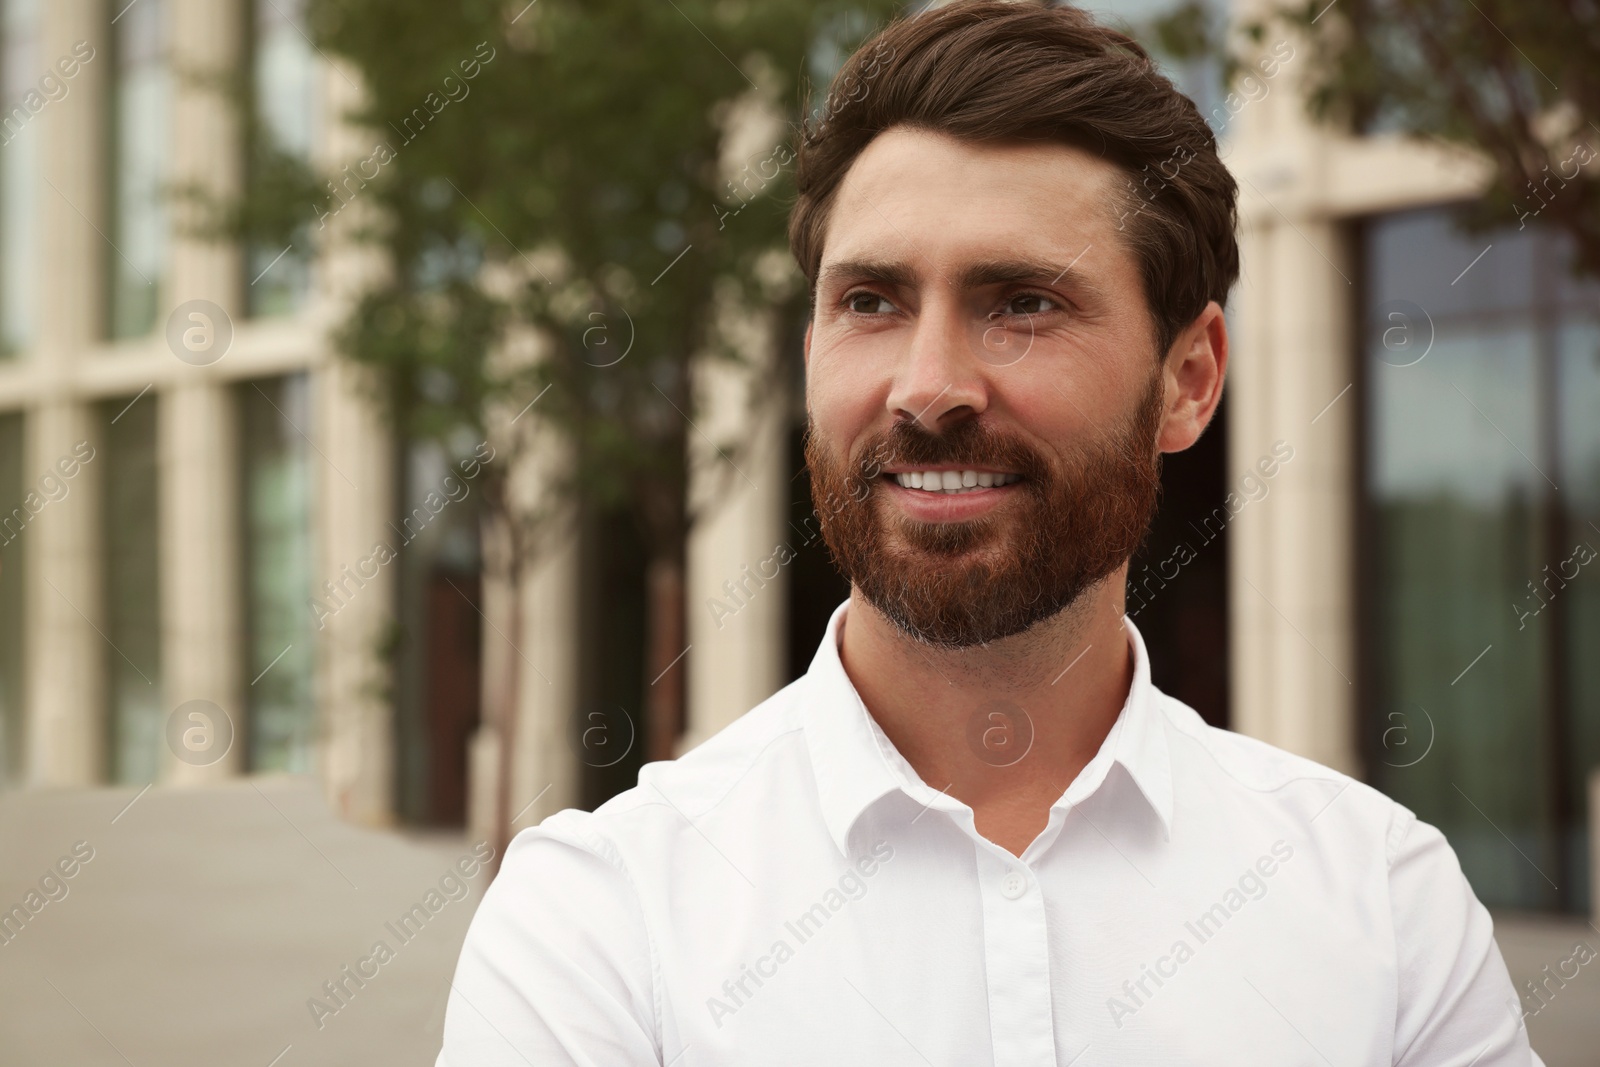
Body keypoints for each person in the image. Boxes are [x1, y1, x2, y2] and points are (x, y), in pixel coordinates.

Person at [437, 2, 1542, 1063]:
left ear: (1188, 379)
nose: (928, 388)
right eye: (871, 300)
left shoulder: (1384, 904)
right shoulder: (596, 923)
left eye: (1022, 301)